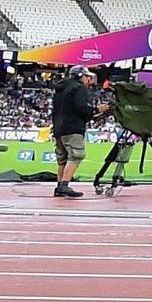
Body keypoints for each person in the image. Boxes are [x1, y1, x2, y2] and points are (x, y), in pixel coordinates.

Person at [47, 64, 105, 200]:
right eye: (86, 76)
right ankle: (64, 185)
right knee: (76, 155)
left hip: (59, 128)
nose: (88, 80)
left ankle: (60, 186)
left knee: (62, 159)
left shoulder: (60, 89)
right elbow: (81, 108)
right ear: (80, 76)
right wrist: (96, 110)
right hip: (73, 127)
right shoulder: (79, 88)